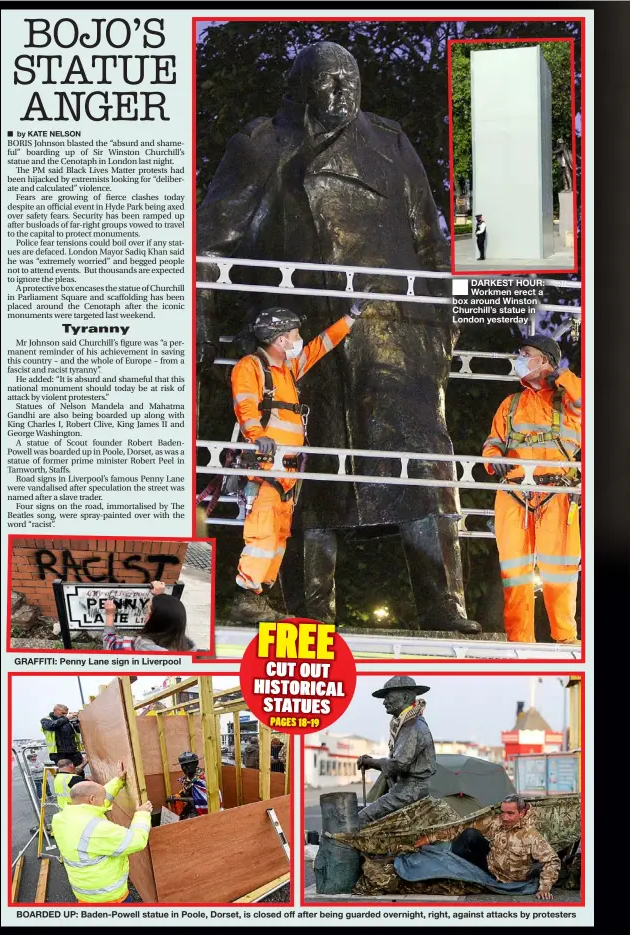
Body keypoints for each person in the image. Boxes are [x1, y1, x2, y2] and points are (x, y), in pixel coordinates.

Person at [197, 41, 481, 635]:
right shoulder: (263, 146)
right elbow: (213, 243)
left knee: (423, 467)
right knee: (310, 478)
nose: (342, 92)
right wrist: (199, 321)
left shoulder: (391, 142)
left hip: (395, 336)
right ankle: (310, 610)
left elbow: (428, 240)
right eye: (328, 82)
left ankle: (443, 604)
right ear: (303, 87)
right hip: (303, 335)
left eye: (350, 79)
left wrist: (443, 322)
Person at [228, 303, 362, 621]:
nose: (300, 339)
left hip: (285, 469)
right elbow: (245, 404)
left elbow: (320, 347)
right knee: (263, 532)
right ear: (280, 340)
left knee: (278, 534)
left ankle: (261, 594)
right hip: (263, 465)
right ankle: (247, 597)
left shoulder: (286, 368)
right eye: (294, 334)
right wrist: (256, 434)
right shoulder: (251, 367)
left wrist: (350, 318)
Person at [482, 335, 581, 644]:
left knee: (560, 571)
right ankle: (519, 643)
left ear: (545, 361)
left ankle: (565, 639)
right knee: (515, 572)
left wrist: (562, 376)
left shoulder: (567, 401)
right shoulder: (510, 404)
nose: (520, 358)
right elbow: (492, 442)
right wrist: (492, 459)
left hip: (557, 494)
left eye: (526, 354)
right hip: (513, 494)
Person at [413, 793, 561, 901]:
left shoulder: (531, 835)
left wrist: (545, 887)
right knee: (469, 833)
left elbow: (552, 860)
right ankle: (449, 861)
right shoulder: (497, 822)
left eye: (510, 813)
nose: (505, 817)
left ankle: (451, 859)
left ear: (522, 813)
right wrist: (428, 838)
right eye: (503, 812)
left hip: (509, 879)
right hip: (489, 865)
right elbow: (464, 826)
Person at [52, 766, 153, 904]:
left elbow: (102, 798)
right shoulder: (97, 829)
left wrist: (118, 781)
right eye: (102, 798)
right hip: (109, 898)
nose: (105, 801)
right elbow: (136, 841)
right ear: (92, 800)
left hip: (84, 894)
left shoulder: (60, 819)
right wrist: (142, 814)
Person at [356, 676, 436, 825]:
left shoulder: (413, 727)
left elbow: (398, 764)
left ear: (405, 697)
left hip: (410, 791)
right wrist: (372, 762)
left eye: (388, 697)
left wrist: (371, 762)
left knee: (360, 819)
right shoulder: (404, 724)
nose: (385, 702)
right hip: (404, 788)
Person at [102, 581, 195, 652]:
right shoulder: (187, 648)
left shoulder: (136, 646)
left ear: (156, 622)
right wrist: (160, 598)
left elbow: (109, 643)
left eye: (149, 613)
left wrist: (110, 615)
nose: (146, 616)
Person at [166, 751, 222, 818]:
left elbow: (201, 800)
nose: (184, 768)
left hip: (205, 810)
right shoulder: (186, 779)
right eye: (182, 765)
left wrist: (179, 799)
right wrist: (175, 797)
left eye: (188, 765)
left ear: (196, 763)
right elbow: (186, 792)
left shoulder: (203, 780)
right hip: (191, 807)